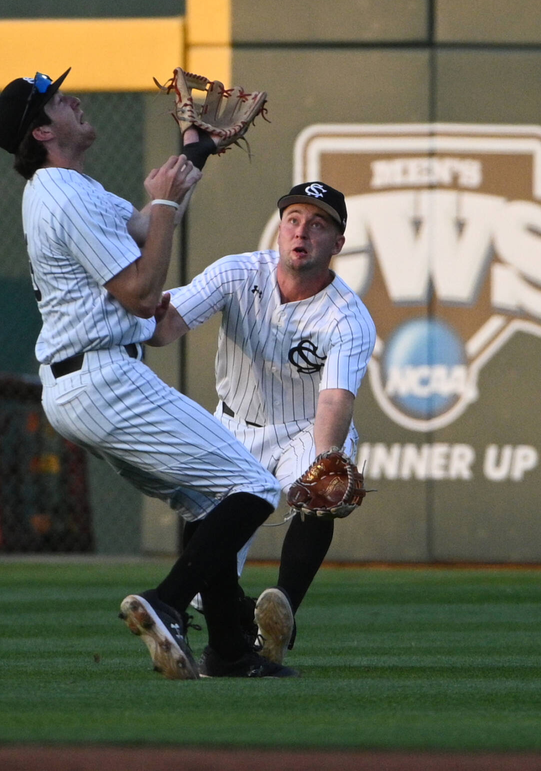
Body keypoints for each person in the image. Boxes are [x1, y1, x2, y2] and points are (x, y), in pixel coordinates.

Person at [0, 68, 297, 679]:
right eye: (58, 101)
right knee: (255, 486)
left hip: (86, 380)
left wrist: (193, 157)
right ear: (44, 130)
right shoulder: (63, 194)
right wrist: (160, 203)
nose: (75, 100)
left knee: (210, 504)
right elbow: (139, 291)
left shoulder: (72, 189)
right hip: (103, 376)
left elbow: (142, 229)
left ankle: (231, 650)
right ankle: (166, 602)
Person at [148, 180, 377, 666]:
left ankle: (283, 611)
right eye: (293, 220)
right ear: (279, 230)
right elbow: (166, 327)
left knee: (322, 489)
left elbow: (334, 400)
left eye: (318, 225)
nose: (302, 231)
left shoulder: (348, 317)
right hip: (231, 426)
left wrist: (326, 462)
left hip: (304, 426)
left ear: (337, 244)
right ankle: (234, 630)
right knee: (209, 561)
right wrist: (129, 310)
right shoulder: (236, 274)